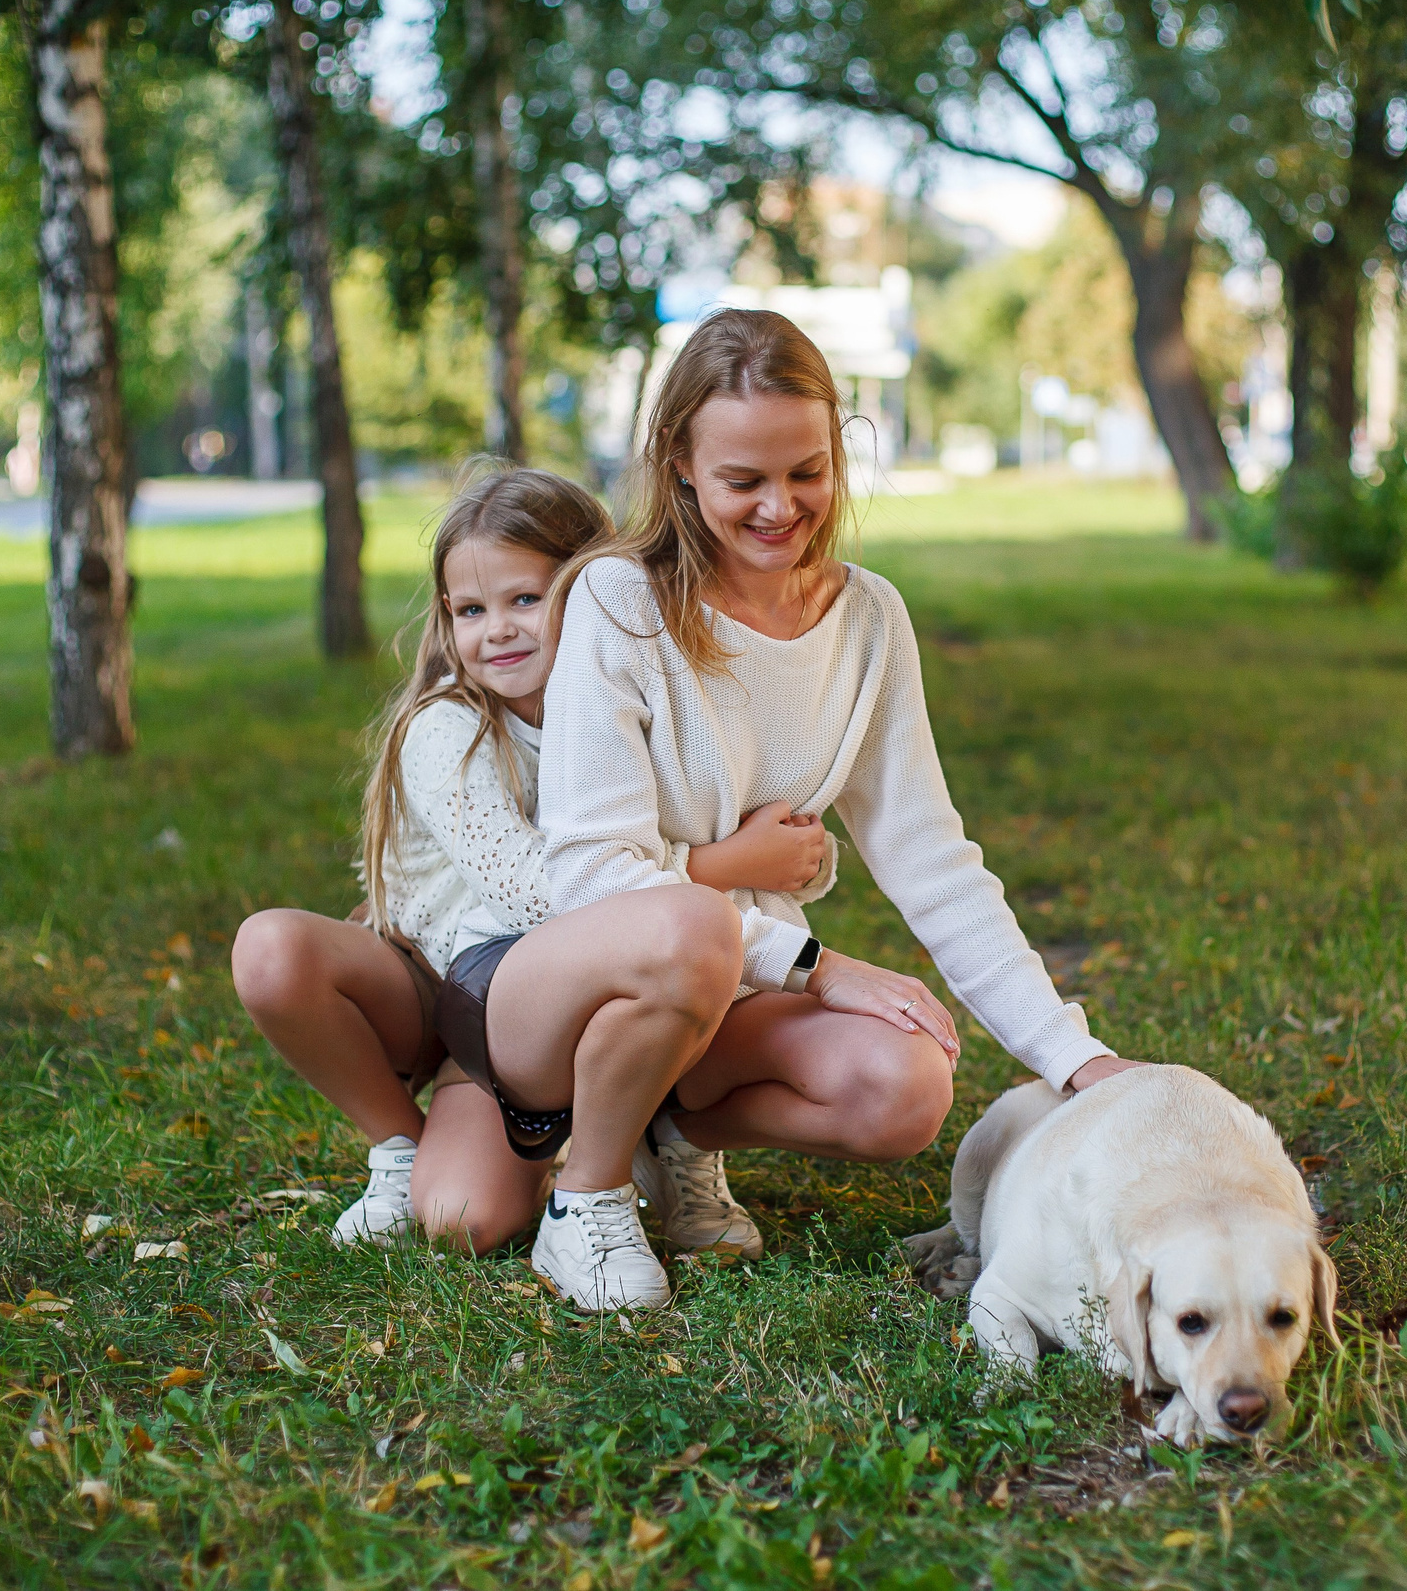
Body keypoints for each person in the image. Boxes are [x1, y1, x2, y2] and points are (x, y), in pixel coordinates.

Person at [478, 307, 1145, 1313]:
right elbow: (588, 873)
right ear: (680, 465)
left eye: (807, 471)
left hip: (724, 988)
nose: (780, 507)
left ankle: (673, 1131)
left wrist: (1071, 1054)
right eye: (744, 480)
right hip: (562, 994)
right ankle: (586, 1198)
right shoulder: (618, 598)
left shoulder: (869, 619)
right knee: (682, 932)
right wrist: (818, 968)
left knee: (906, 1089)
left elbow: (928, 853)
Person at [229, 466, 830, 1254]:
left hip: (589, 987)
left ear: (595, 595)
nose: (499, 630)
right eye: (472, 609)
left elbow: (783, 848)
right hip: (461, 991)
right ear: (447, 617)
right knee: (459, 1216)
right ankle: (401, 1147)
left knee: (682, 951)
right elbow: (533, 892)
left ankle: (658, 1129)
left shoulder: (644, 702)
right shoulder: (448, 728)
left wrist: (790, 854)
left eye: (525, 599)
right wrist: (720, 862)